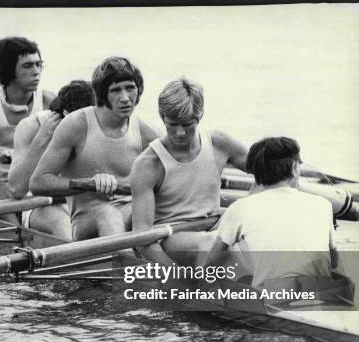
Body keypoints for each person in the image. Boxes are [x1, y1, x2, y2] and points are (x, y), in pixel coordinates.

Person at [30, 57, 159, 241]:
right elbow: (38, 182)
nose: (125, 98)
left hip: (129, 213)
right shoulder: (76, 124)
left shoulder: (146, 132)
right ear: (102, 95)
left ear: (138, 91)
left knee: (157, 208)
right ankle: (122, 268)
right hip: (88, 222)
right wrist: (89, 183)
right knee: (108, 214)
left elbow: (171, 180)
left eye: (130, 88)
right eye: (115, 90)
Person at [130, 77, 249, 265]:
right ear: (162, 117)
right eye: (172, 124)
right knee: (216, 243)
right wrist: (172, 273)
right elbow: (142, 237)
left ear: (199, 117)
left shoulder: (219, 143)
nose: (179, 133)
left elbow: (268, 171)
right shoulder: (148, 164)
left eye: (187, 125)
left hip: (214, 228)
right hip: (172, 239)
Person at [202, 136, 339, 289]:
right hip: (324, 294)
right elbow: (334, 262)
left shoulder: (239, 208)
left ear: (255, 174)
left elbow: (210, 266)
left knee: (223, 251)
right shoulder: (323, 204)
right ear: (294, 168)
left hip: (274, 299)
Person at [0, 37, 55, 223]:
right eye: (27, 66)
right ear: (9, 70)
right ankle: (14, 229)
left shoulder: (49, 101)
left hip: (33, 183)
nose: (36, 72)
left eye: (38, 65)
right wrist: (5, 152)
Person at [8, 80, 96, 240]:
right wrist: (42, 138)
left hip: (81, 201)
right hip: (40, 205)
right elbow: (17, 189)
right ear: (66, 114)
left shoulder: (101, 123)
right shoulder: (31, 127)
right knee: (65, 227)